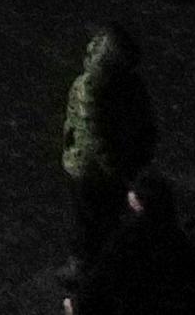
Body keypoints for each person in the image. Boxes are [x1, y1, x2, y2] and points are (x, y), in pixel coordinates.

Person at [58, 24, 154, 268]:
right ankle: (87, 265)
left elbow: (97, 134)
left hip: (93, 168)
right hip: (103, 169)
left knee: (93, 220)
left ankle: (87, 266)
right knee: (93, 220)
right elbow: (97, 133)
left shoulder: (97, 85)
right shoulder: (110, 85)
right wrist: (124, 168)